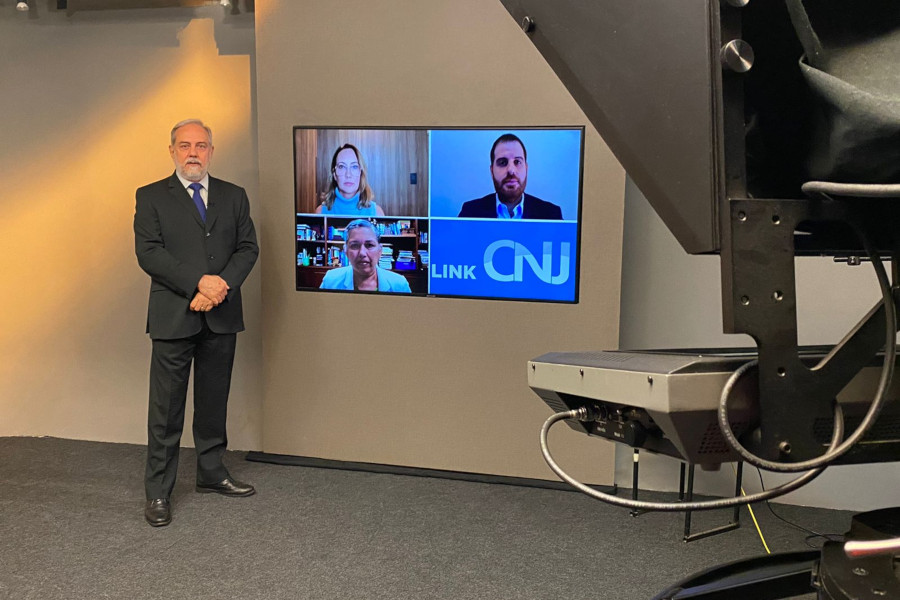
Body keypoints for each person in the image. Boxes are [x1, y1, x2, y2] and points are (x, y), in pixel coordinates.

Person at [133, 119, 259, 527]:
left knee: (212, 401)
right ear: (171, 150)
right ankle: (158, 493)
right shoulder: (151, 196)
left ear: (211, 151)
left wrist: (220, 285)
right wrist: (199, 283)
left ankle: (211, 473)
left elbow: (247, 248)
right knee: (166, 410)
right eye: (185, 145)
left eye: (201, 145)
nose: (193, 152)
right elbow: (150, 254)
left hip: (221, 315)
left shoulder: (233, 196)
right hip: (173, 317)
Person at [457, 133, 563, 220]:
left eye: (517, 162)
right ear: (492, 170)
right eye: (503, 162)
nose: (511, 170)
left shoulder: (551, 215)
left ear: (526, 168)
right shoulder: (470, 213)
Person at [319, 219, 411, 293]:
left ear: (380, 250)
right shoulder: (330, 281)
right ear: (345, 251)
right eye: (354, 246)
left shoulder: (399, 284)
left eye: (369, 245)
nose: (362, 253)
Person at [316, 143, 386, 216]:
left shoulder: (377, 213)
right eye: (341, 166)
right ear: (334, 175)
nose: (348, 175)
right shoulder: (320, 212)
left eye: (354, 167)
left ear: (360, 173)